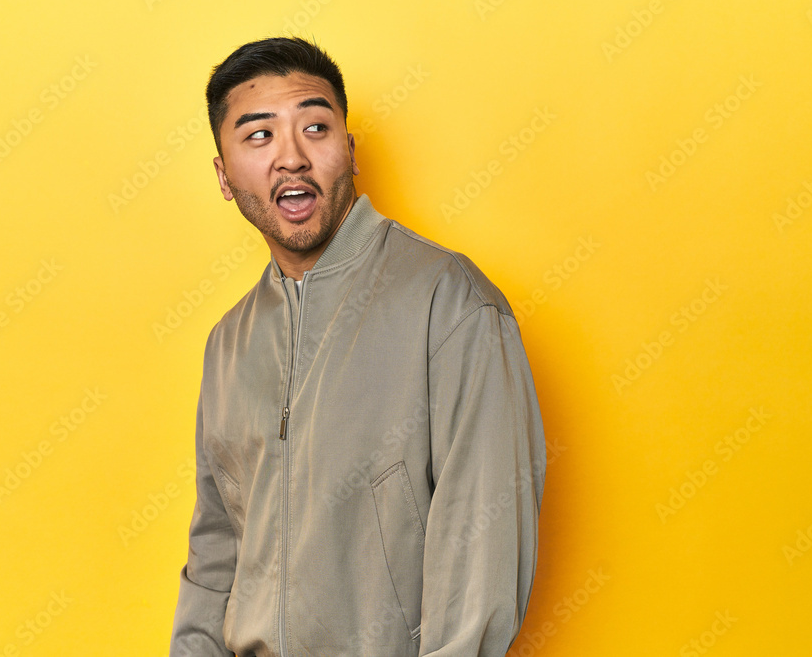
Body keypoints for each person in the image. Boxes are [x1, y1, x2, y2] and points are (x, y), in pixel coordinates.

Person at [170, 36, 546, 657]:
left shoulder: (450, 304)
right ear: (223, 175)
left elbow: (482, 547)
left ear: (348, 151)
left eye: (314, 127)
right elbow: (217, 554)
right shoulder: (227, 343)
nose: (291, 157)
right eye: (259, 136)